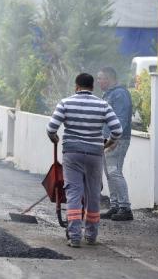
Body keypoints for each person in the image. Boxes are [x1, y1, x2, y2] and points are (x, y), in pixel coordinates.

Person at [46, 73, 122, 247]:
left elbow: (51, 128)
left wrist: (54, 138)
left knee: (73, 193)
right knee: (93, 194)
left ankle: (74, 236)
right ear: (92, 87)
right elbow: (117, 130)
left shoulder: (65, 103)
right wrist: (107, 144)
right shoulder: (103, 105)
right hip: (95, 154)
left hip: (72, 154)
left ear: (76, 86)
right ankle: (91, 235)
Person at [98, 66, 134, 221]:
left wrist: (114, 138)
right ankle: (115, 206)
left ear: (109, 78)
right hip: (108, 140)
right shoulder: (110, 94)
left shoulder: (119, 94)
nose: (98, 81)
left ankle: (125, 208)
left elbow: (121, 118)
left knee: (114, 172)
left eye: (100, 78)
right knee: (110, 173)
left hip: (117, 140)